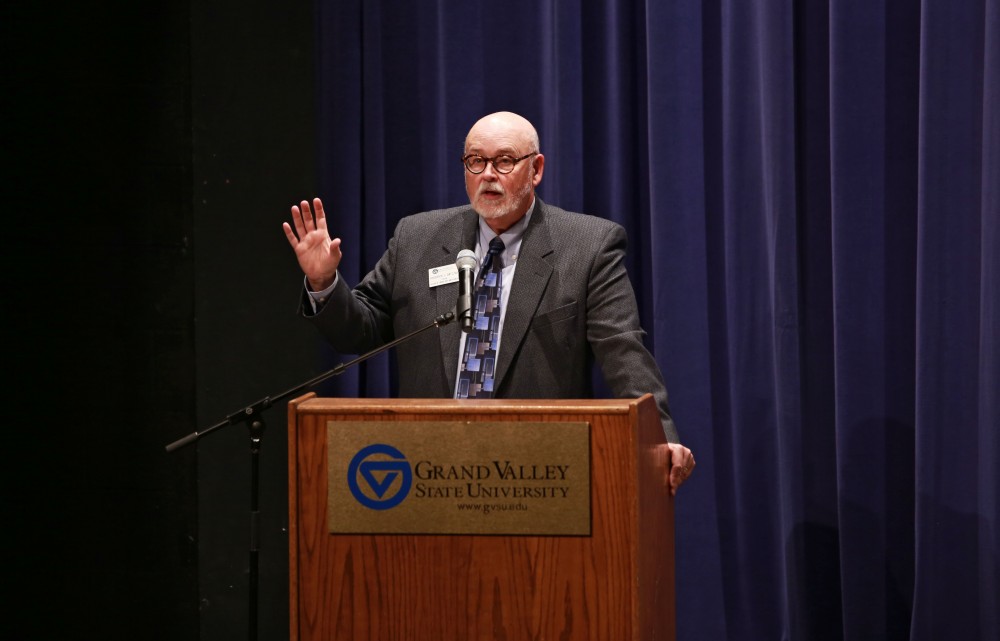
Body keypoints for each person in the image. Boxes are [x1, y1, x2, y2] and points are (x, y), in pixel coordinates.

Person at [283, 111, 695, 494]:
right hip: (428, 467)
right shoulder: (418, 237)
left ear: (536, 169)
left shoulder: (587, 247)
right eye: (476, 162)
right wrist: (323, 281)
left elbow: (623, 350)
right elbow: (360, 331)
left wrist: (661, 441)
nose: (488, 176)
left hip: (537, 474)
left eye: (504, 161)